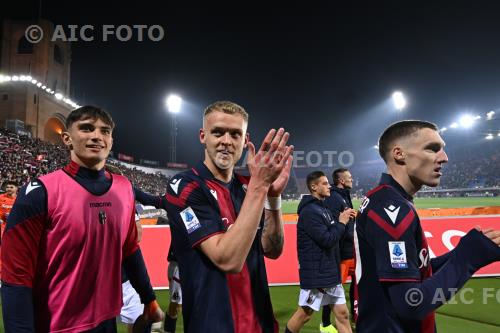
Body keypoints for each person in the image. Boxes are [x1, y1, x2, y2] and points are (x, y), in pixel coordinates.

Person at [1, 106, 163, 332]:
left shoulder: (124, 189)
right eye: (87, 128)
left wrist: (149, 299)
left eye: (104, 131)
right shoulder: (40, 192)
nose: (97, 136)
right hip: (56, 326)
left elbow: (129, 250)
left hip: (106, 322)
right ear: (67, 139)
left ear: (111, 141)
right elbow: (15, 276)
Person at [354, 120, 500, 332]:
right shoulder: (391, 208)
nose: (444, 157)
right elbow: (411, 304)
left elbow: (414, 271)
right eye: (432, 149)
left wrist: (461, 250)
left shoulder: (387, 199)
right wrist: (467, 259)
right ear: (399, 154)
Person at [164, 100, 293, 332]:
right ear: (203, 136)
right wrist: (259, 186)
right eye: (217, 133)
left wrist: (272, 199)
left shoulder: (248, 187)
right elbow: (227, 260)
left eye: (235, 134)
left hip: (260, 324)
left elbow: (272, 249)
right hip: (212, 325)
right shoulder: (184, 185)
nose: (226, 141)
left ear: (245, 141)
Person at [284, 171, 354, 333]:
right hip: (318, 275)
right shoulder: (309, 212)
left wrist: (340, 222)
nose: (329, 185)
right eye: (324, 183)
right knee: (305, 315)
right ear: (314, 187)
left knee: (342, 314)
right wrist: (342, 223)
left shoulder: (322, 208)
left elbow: (332, 235)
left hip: (330, 272)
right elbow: (327, 240)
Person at [321, 168, 355, 332]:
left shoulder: (344, 196)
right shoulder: (334, 198)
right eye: (349, 177)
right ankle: (326, 323)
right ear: (341, 180)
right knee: (334, 289)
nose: (352, 179)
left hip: (351, 250)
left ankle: (356, 315)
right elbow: (333, 224)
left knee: (357, 284)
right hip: (340, 253)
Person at [0, 181, 18, 281]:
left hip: (15, 227)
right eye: (7, 187)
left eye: (11, 187)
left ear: (16, 189)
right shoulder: (1, 198)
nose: (9, 189)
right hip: (3, 226)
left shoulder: (19, 199)